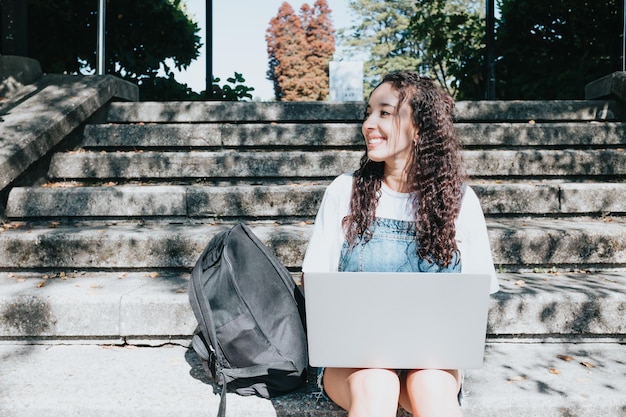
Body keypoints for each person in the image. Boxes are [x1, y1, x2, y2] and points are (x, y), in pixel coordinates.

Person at [301, 70, 499, 417]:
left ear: (419, 128)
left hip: (433, 360)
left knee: (431, 390)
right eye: (368, 112)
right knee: (377, 383)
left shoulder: (460, 202)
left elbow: (478, 295)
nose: (368, 124)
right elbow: (314, 282)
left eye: (384, 112)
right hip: (353, 360)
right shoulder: (343, 191)